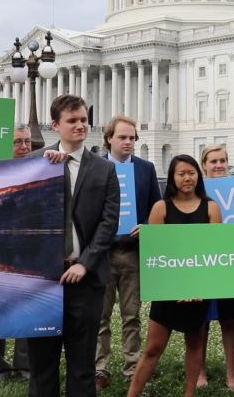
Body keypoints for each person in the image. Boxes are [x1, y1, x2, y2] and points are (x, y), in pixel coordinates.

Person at [26, 94, 120, 397]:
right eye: (72, 120)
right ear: (55, 125)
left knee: (82, 365)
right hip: (42, 281)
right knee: (42, 364)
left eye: (83, 119)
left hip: (86, 281)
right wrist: (43, 169)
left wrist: (85, 263)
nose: (80, 125)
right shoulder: (34, 163)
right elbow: (18, 209)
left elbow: (109, 222)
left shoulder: (104, 169)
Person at [126, 155, 223, 397]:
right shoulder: (161, 207)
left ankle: (189, 394)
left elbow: (214, 252)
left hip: (199, 290)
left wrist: (198, 288)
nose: (187, 178)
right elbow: (157, 253)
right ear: (172, 178)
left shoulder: (211, 207)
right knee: (153, 347)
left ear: (198, 175)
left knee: (195, 344)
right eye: (181, 173)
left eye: (191, 172)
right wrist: (175, 289)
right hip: (168, 289)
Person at [94, 116, 162, 391]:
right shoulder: (96, 167)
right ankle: (99, 369)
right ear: (109, 138)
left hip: (132, 252)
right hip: (102, 254)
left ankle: (132, 368)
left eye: (132, 138)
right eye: (123, 137)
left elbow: (156, 207)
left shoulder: (145, 168)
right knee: (100, 315)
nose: (128, 142)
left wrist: (146, 226)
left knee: (131, 315)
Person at [0, 122, 33, 384]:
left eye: (27, 141)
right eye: (17, 141)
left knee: (29, 307)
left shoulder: (40, 169)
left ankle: (26, 364)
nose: (24, 147)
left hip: (28, 248)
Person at [198, 144, 234, 391]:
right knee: (200, 320)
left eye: (222, 160)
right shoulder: (195, 192)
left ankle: (231, 374)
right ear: (204, 165)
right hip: (200, 260)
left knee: (230, 318)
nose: (218, 165)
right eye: (213, 161)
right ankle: (200, 372)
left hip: (230, 258)